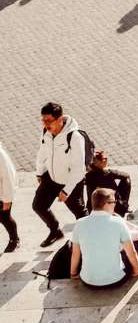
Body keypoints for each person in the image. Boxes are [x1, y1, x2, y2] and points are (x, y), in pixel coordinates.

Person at [32, 102, 89, 246]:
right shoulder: (46, 132)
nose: (45, 124)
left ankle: (89, 239)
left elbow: (79, 168)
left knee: (81, 214)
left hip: (71, 182)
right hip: (51, 178)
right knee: (38, 206)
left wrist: (66, 190)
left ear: (59, 119)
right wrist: (40, 172)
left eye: (48, 121)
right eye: (43, 120)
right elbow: (42, 153)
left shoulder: (74, 137)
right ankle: (55, 231)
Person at [65, 187, 138, 288]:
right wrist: (137, 271)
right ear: (106, 204)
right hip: (116, 280)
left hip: (88, 282)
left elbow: (75, 254)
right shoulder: (118, 223)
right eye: (113, 201)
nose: (115, 204)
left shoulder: (79, 224)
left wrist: (73, 274)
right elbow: (131, 251)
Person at [69, 147, 132, 218]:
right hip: (114, 208)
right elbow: (126, 175)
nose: (105, 161)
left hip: (93, 209)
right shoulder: (108, 173)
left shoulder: (88, 176)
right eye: (103, 159)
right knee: (126, 180)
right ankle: (125, 205)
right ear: (97, 162)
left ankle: (123, 205)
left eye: (106, 159)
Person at [0, 136, 17, 253]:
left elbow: (8, 177)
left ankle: (14, 239)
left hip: (2, 194)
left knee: (4, 218)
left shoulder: (0, 155)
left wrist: (7, 199)